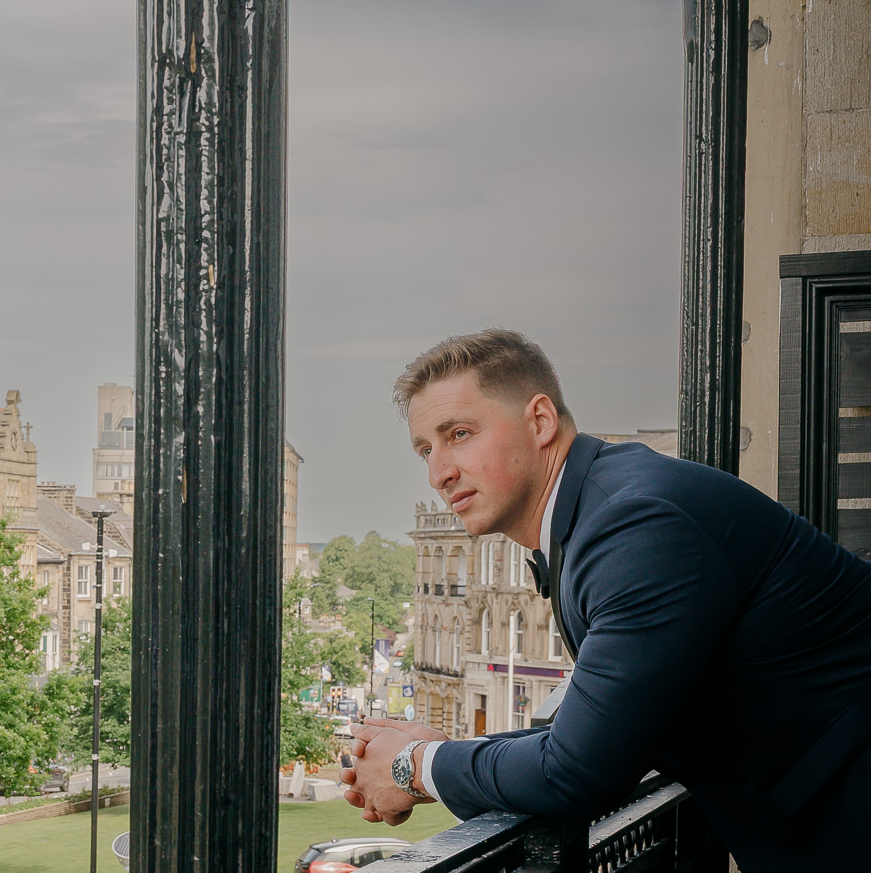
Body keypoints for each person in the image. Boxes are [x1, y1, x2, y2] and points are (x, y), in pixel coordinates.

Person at [341, 329, 871, 872]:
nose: (439, 473)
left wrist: (414, 765)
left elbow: (574, 773)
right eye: (426, 449)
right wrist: (435, 751)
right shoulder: (598, 511)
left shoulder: (635, 524)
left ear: (540, 421)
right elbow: (597, 725)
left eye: (459, 434)